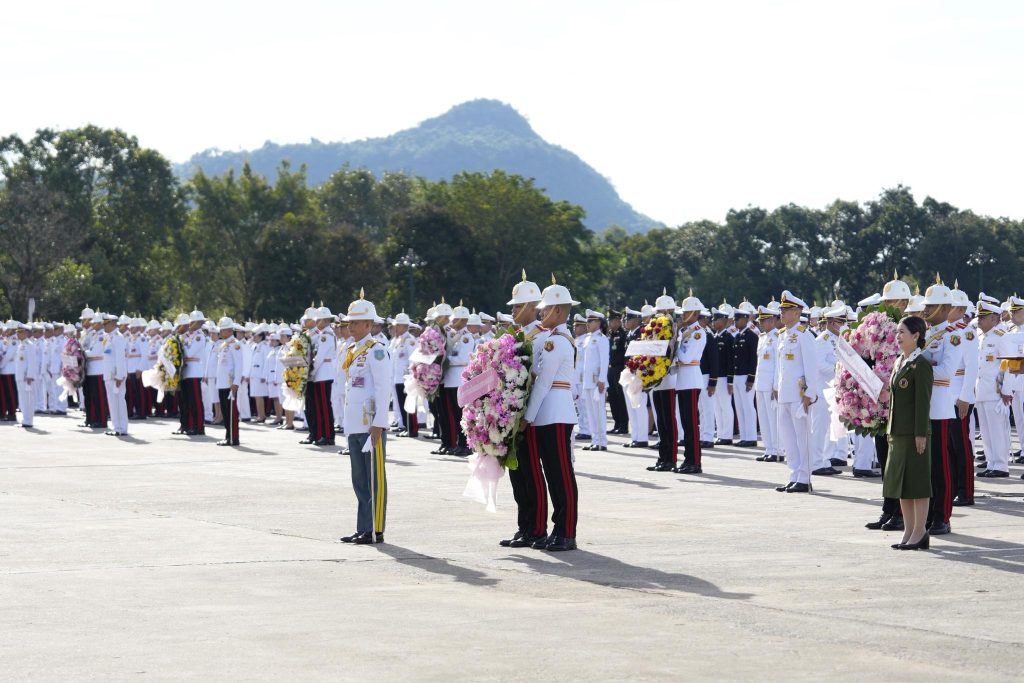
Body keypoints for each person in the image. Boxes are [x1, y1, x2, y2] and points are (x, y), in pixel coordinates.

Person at [522, 276, 580, 551]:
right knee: (554, 474)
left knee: (561, 474)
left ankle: (566, 532)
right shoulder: (553, 339)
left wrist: (528, 416)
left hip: (555, 411)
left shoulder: (555, 341)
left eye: (545, 308)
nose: (542, 313)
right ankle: (559, 530)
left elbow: (544, 382)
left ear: (557, 310)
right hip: (550, 411)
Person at [500, 271, 550, 549]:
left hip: (528, 414)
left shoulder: (542, 337)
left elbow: (539, 377)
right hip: (511, 412)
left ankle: (537, 528)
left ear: (533, 307)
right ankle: (524, 526)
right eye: (513, 306)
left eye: (518, 306)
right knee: (517, 473)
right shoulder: (515, 335)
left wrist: (525, 414)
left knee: (531, 471)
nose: (514, 310)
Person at [339, 290, 393, 545]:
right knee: (359, 479)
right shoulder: (353, 350)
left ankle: (375, 529)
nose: (350, 326)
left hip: (371, 423)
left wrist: (379, 423)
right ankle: (363, 527)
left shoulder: (377, 351)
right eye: (349, 322)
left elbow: (383, 388)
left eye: (356, 322)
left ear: (369, 325)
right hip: (355, 423)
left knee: (374, 479)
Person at [882, 316, 933, 550]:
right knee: (901, 484)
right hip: (898, 433)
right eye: (897, 332)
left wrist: (920, 433)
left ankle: (920, 531)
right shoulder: (899, 362)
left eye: (902, 332)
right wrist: (890, 428)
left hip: (914, 433)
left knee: (917, 483)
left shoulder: (920, 364)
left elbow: (923, 402)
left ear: (916, 335)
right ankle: (909, 530)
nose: (898, 336)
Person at [920, 277, 962, 536]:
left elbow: (947, 371)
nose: (926, 310)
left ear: (945, 308)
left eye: (931, 305)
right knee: (924, 468)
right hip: (921, 407)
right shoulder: (924, 334)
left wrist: (919, 369)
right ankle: (927, 514)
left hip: (939, 407)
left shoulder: (953, 335)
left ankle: (942, 516)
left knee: (940, 466)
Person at [774, 291, 821, 493]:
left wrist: (810, 394)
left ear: (796, 312)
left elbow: (812, 367)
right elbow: (779, 366)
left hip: (799, 394)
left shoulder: (804, 335)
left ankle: (804, 477)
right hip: (785, 393)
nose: (782, 313)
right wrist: (776, 387)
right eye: (782, 310)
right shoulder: (782, 335)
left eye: (786, 310)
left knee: (803, 437)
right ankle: (794, 474)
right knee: (788, 438)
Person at [973, 301, 1011, 478]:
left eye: (982, 317)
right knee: (986, 431)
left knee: (997, 430)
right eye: (979, 316)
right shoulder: (982, 337)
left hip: (996, 392)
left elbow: (1007, 365)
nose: (979, 320)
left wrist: (1005, 390)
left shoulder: (1001, 337)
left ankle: (1001, 465)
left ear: (994, 319)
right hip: (982, 390)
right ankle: (991, 463)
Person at [674, 292, 706, 474]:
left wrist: (675, 345)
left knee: (692, 424)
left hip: (692, 380)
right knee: (685, 423)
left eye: (686, 312)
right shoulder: (686, 332)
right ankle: (688, 459)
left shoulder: (698, 333)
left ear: (694, 313)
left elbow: (686, 358)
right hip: (683, 380)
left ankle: (695, 462)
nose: (683, 315)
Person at [647, 291, 679, 471]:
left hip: (668, 377)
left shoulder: (672, 326)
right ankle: (662, 457)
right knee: (660, 420)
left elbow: (671, 350)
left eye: (660, 311)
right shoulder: (654, 327)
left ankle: (671, 458)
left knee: (668, 420)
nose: (658, 314)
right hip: (655, 377)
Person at [754, 302, 782, 462]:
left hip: (771, 385)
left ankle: (778, 450)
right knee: (763, 418)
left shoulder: (778, 337)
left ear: (772, 320)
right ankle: (769, 448)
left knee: (773, 419)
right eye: (760, 321)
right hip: (760, 383)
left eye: (763, 320)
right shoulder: (762, 337)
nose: (760, 323)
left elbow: (778, 364)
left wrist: (775, 386)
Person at [580, 309, 609, 451]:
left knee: (599, 412)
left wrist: (602, 380)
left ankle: (602, 442)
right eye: (587, 321)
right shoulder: (587, 338)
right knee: (590, 412)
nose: (588, 323)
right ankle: (594, 439)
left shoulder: (602, 339)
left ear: (598, 322)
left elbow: (604, 360)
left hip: (597, 381)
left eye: (591, 321)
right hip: (587, 381)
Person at [732, 301, 759, 447]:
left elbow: (753, 359)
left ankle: (751, 437)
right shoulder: (738, 336)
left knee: (748, 406)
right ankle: (744, 436)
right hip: (737, 375)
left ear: (745, 319)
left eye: (737, 319)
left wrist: (751, 378)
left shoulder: (751, 336)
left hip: (746, 376)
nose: (735, 322)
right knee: (740, 406)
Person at [212, 317, 242, 446]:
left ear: (229, 330)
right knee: (225, 411)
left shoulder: (235, 344)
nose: (220, 333)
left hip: (230, 384)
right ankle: (228, 436)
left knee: (231, 412)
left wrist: (236, 383)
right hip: (222, 383)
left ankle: (233, 438)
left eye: (222, 330)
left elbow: (239, 365)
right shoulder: (224, 344)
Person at [606, 310, 629, 435]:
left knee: (621, 398)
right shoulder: (609, 335)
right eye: (609, 321)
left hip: (619, 369)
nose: (609, 323)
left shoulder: (623, 335)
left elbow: (624, 353)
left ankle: (623, 425)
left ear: (618, 321)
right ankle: (616, 423)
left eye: (612, 321)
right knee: (612, 397)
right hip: (610, 369)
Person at [13, 322, 38, 429]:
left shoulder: (29, 345)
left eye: (20, 332)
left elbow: (32, 362)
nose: (18, 334)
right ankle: (25, 419)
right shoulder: (21, 345)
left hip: (26, 377)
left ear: (26, 333)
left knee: (28, 399)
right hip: (20, 376)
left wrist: (29, 375)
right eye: (17, 332)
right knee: (22, 399)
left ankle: (28, 421)